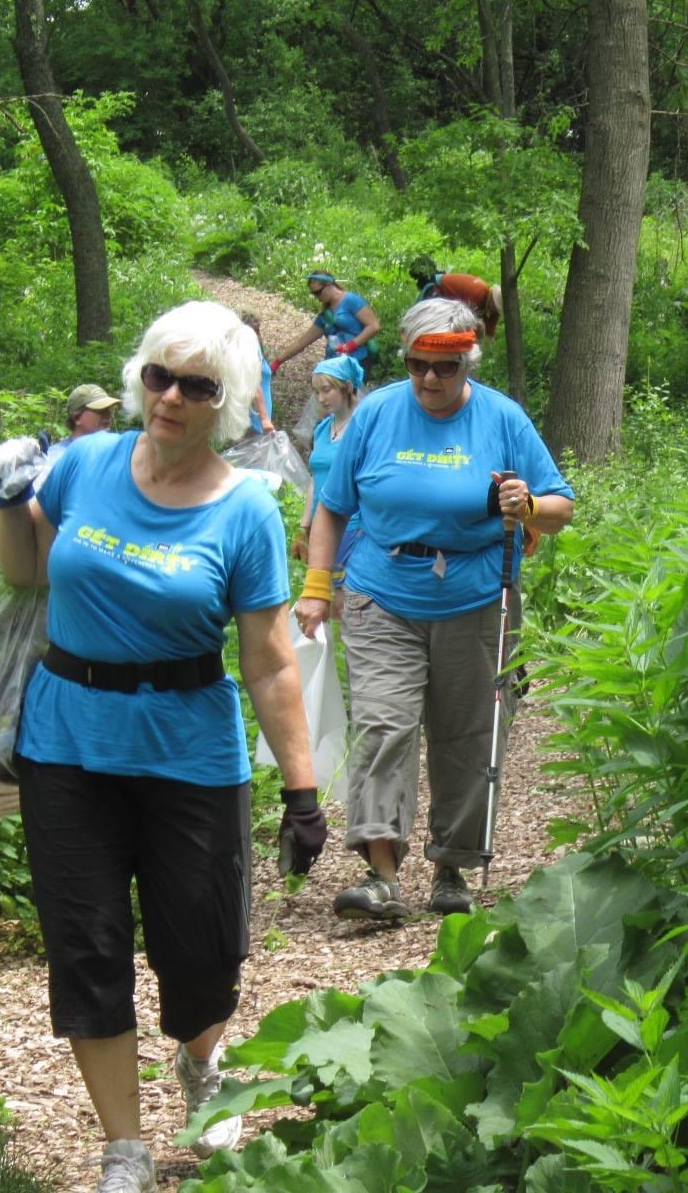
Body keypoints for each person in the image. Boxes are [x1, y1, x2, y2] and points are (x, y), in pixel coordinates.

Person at [0, 300, 326, 1192]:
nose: (172, 397)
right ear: (141, 378)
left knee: (200, 948)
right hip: (65, 741)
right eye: (159, 376)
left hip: (187, 751)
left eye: (197, 385)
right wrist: (7, 504)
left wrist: (302, 789)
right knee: (86, 945)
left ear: (230, 399)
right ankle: (123, 1147)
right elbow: (29, 575)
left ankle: (201, 1062)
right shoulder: (85, 465)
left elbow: (270, 661)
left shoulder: (247, 510)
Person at [293, 299, 573, 921]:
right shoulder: (376, 415)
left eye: (444, 369)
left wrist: (525, 506)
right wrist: (317, 585)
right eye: (419, 365)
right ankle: (381, 875)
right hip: (381, 590)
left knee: (467, 736)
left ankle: (453, 867)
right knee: (383, 725)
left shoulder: (502, 418)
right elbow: (333, 507)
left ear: (467, 362)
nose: (429, 380)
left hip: (476, 595)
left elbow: (560, 506)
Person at [292, 355, 366, 638]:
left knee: (347, 604)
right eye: (317, 391)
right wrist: (304, 526)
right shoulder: (323, 429)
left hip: (353, 526)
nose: (321, 398)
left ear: (348, 387)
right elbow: (315, 479)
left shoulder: (363, 426)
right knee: (325, 603)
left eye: (327, 390)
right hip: (323, 530)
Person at [268, 273, 382, 383]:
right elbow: (301, 342)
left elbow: (374, 326)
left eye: (317, 292)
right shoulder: (325, 315)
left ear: (328, 285)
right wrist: (278, 361)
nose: (316, 297)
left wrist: (352, 344)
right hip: (334, 364)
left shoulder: (351, 301)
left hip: (357, 361)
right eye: (313, 294)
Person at [408, 256, 503, 339]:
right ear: (492, 302)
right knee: (424, 325)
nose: (495, 312)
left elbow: (489, 335)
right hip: (437, 289)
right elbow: (465, 322)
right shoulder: (478, 294)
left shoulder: (491, 309)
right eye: (495, 307)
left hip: (449, 302)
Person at [46, 384, 121, 462]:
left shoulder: (115, 452)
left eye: (108, 409)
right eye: (100, 410)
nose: (108, 415)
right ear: (77, 417)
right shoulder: (58, 456)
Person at [240, 312, 276, 435]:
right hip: (256, 416)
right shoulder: (248, 348)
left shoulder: (255, 347)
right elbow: (254, 383)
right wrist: (264, 418)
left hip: (258, 415)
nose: (257, 334)